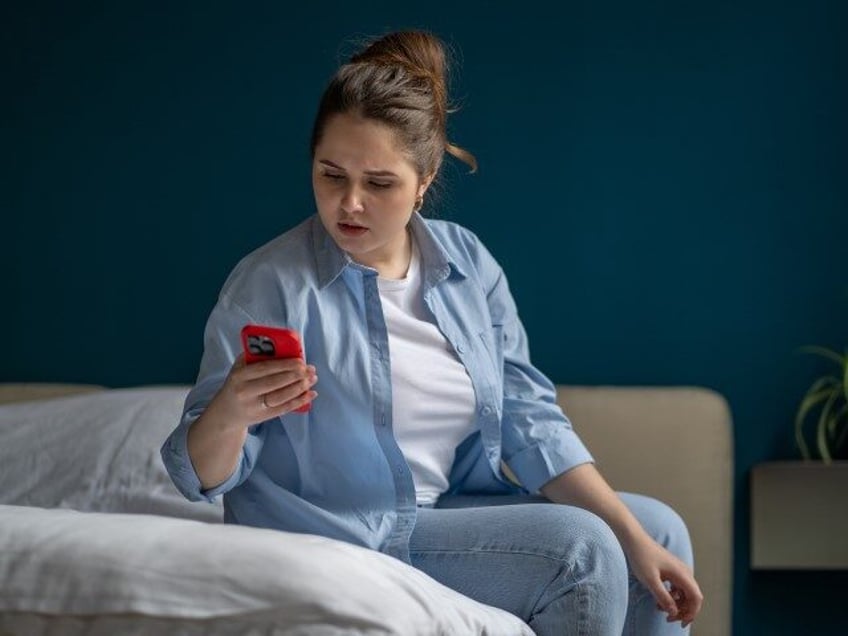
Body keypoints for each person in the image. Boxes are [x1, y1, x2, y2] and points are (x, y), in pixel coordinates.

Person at [161, 30, 703, 635]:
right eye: (331, 175)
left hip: (442, 512)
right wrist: (232, 411)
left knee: (656, 530)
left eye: (380, 183)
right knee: (580, 548)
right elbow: (197, 478)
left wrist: (631, 537)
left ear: (425, 178)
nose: (350, 204)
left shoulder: (467, 263)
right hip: (340, 531)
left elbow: (530, 422)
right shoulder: (270, 284)